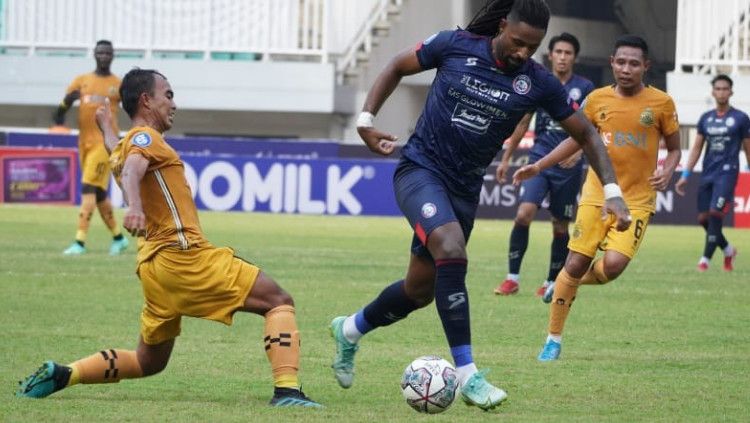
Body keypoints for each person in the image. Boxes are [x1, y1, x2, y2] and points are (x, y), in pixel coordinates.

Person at [328, 0, 629, 411]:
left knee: (419, 291)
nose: (524, 52)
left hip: (464, 190)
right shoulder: (455, 45)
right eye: (518, 42)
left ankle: (348, 330)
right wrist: (364, 121)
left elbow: (589, 135)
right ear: (502, 26)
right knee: (452, 248)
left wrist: (613, 192)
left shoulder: (537, 82)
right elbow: (398, 65)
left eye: (532, 46)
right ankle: (469, 375)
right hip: (420, 170)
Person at [16, 69, 321, 408]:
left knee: (149, 362)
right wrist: (133, 207)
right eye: (168, 95)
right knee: (277, 299)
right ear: (146, 100)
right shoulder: (146, 138)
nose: (174, 103)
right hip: (183, 256)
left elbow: (119, 153)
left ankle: (65, 373)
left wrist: (106, 128)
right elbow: (133, 167)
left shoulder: (124, 144)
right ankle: (288, 392)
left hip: (153, 268)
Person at [514, 35, 681, 361]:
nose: (627, 69)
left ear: (645, 66)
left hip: (638, 199)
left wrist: (670, 169)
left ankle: (560, 284)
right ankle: (553, 339)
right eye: (621, 62)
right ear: (611, 63)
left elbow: (674, 148)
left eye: (634, 63)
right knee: (575, 262)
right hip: (597, 194)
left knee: (613, 267)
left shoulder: (661, 104)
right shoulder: (596, 100)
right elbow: (576, 139)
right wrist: (539, 164)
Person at [494, 32, 594, 296]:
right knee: (523, 213)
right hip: (538, 158)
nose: (562, 57)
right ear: (551, 55)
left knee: (560, 224)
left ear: (575, 57)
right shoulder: (537, 82)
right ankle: (512, 278)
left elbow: (591, 127)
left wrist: (579, 152)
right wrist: (506, 158)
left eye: (567, 53)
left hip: (568, 166)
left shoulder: (584, 88)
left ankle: (551, 281)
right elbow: (523, 123)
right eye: (558, 52)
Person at [55, 40, 129, 256]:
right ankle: (118, 237)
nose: (104, 56)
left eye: (107, 53)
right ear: (95, 55)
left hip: (103, 143)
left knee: (87, 187)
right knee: (98, 193)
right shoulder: (82, 81)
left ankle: (79, 241)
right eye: (100, 52)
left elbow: (132, 108)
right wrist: (65, 104)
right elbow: (60, 111)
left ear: (113, 56)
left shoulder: (118, 84)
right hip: (84, 142)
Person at [675, 74, 750, 271]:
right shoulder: (706, 119)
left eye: (725, 89)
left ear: (731, 92)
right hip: (707, 173)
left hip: (727, 173)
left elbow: (748, 147)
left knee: (716, 213)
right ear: (713, 92)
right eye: (718, 89)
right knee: (703, 219)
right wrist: (685, 176)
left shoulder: (740, 118)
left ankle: (705, 260)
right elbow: (696, 149)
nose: (722, 92)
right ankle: (728, 250)